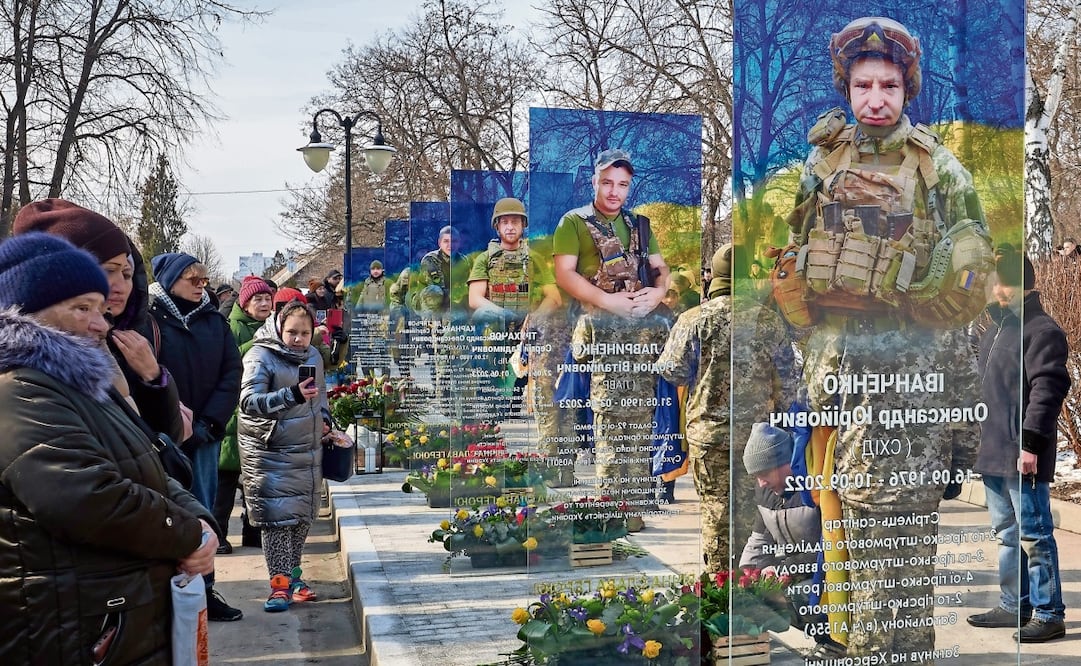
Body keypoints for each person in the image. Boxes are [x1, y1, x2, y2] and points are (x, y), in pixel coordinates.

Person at [780, 17, 986, 658]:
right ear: (847, 87)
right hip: (844, 389)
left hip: (915, 385)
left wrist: (961, 441)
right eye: (864, 84)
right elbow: (792, 259)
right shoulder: (821, 161)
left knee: (904, 580)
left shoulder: (937, 165)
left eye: (889, 85)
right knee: (856, 565)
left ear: (907, 89)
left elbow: (973, 259)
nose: (876, 98)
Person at [0, 233, 217, 663]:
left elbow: (151, 463)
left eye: (101, 309)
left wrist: (202, 524)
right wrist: (188, 535)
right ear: (23, 314)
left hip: (117, 617)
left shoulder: (82, 385)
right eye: (82, 308)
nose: (101, 323)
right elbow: (85, 496)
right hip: (73, 629)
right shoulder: (18, 391)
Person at [554, 149, 671, 531]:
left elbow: (659, 267)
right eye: (607, 182)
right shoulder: (573, 222)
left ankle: (634, 513)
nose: (614, 191)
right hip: (603, 332)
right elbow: (565, 274)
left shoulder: (639, 224)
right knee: (608, 431)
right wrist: (607, 301)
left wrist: (658, 293)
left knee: (639, 428)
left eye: (622, 184)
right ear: (594, 181)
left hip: (639, 338)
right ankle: (609, 514)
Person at [11, 198, 186, 443]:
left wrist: (155, 378)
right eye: (106, 270)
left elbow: (168, 442)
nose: (121, 286)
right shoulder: (27, 363)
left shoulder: (127, 337)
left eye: (126, 273)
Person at [966, 248, 1070, 643]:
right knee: (1006, 534)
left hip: (1022, 453)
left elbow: (1048, 390)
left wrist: (1031, 444)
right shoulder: (995, 329)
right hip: (993, 451)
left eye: (1004, 283)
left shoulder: (1042, 330)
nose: (997, 290)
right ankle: (1015, 605)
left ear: (1024, 284)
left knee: (1034, 535)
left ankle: (1048, 612)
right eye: (995, 282)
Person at [149, 251, 244, 621]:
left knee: (202, 515)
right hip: (161, 437)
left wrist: (209, 423)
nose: (201, 286)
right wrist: (167, 423)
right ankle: (167, 596)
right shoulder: (149, 320)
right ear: (171, 280)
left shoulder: (213, 321)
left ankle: (205, 592)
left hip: (204, 436)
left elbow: (230, 372)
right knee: (165, 514)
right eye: (194, 280)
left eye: (204, 280)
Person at [237, 300, 329, 612]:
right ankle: (278, 585)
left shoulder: (313, 355)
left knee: (301, 517)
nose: (299, 339)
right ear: (279, 326)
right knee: (277, 520)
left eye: (305, 332)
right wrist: (291, 395)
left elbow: (322, 398)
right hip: (271, 449)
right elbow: (248, 402)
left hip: (306, 449)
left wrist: (328, 424)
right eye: (292, 332)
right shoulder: (260, 355)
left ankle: (293, 577)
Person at [740, 423, 846, 661]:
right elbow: (758, 541)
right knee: (755, 593)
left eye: (764, 474)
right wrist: (745, 579)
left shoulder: (814, 489)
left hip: (826, 577)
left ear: (785, 463)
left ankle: (834, 643)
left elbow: (826, 550)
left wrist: (781, 571)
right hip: (794, 572)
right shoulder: (765, 493)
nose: (761, 483)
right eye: (757, 477)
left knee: (798, 594)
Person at [214, 275, 276, 554]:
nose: (264, 303)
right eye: (258, 299)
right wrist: (258, 344)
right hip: (234, 413)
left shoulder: (273, 326)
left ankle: (253, 533)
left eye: (267, 298)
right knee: (225, 483)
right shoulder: (230, 327)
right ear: (245, 302)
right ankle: (218, 536)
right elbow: (229, 361)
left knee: (257, 480)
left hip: (264, 413)